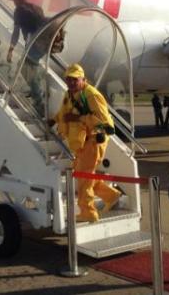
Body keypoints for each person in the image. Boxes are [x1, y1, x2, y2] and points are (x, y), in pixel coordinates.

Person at [50, 63, 122, 223]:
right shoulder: (70, 94)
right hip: (81, 142)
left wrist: (77, 118)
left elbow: (104, 122)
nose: (71, 82)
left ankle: (88, 213)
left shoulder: (91, 95)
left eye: (75, 79)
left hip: (93, 141)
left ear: (83, 79)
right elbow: (64, 112)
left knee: (84, 178)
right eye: (69, 79)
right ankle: (111, 195)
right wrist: (54, 120)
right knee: (86, 175)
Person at [6, 0, 46, 115]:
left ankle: (39, 101)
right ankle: (37, 85)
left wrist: (11, 49)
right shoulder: (36, 8)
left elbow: (16, 32)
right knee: (30, 66)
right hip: (44, 43)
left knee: (24, 68)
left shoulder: (19, 11)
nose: (14, 2)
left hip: (36, 43)